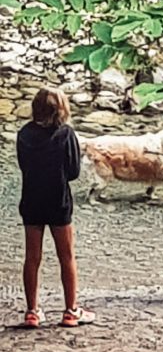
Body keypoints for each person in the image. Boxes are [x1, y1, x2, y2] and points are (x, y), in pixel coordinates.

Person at [16, 87, 94, 328]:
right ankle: (71, 311)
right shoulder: (66, 134)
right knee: (66, 256)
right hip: (58, 200)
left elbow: (22, 165)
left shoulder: (23, 134)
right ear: (61, 109)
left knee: (32, 257)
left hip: (31, 200)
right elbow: (73, 172)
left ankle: (32, 311)